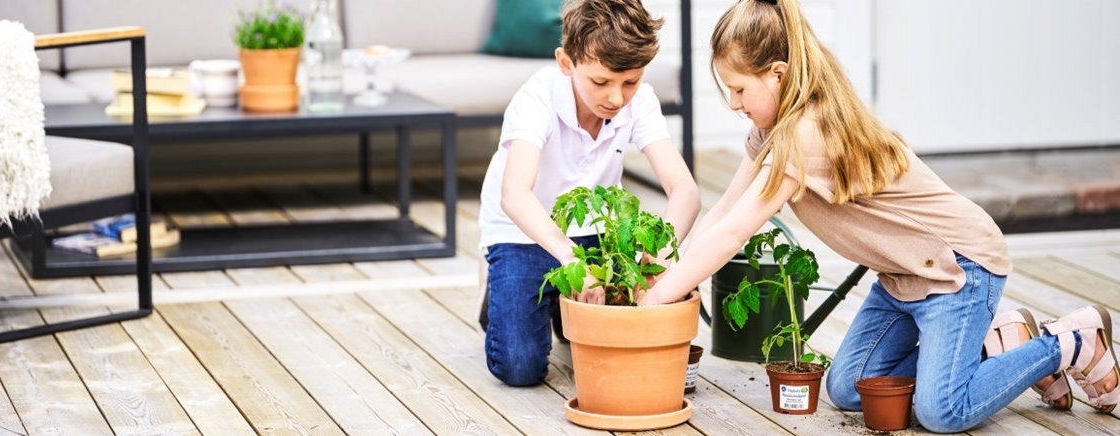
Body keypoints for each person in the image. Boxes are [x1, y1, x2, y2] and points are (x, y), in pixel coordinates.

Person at [639, 0, 1118, 431]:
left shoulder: (806, 135)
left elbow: (736, 233)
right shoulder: (773, 130)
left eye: (739, 89)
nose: (735, 103)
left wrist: (663, 294)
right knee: (849, 389)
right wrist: (675, 267)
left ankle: (1070, 340)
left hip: (959, 268)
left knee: (942, 410)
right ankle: (999, 343)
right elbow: (724, 212)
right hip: (903, 278)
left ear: (778, 75)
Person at [478, 0, 701, 387]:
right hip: (523, 233)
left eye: (630, 81)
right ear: (567, 63)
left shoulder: (641, 101)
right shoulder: (537, 98)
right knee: (520, 368)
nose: (616, 98)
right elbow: (514, 194)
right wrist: (571, 261)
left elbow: (684, 191)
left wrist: (659, 258)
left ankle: (552, 303)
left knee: (599, 332)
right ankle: (506, 290)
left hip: (594, 232)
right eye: (601, 82)